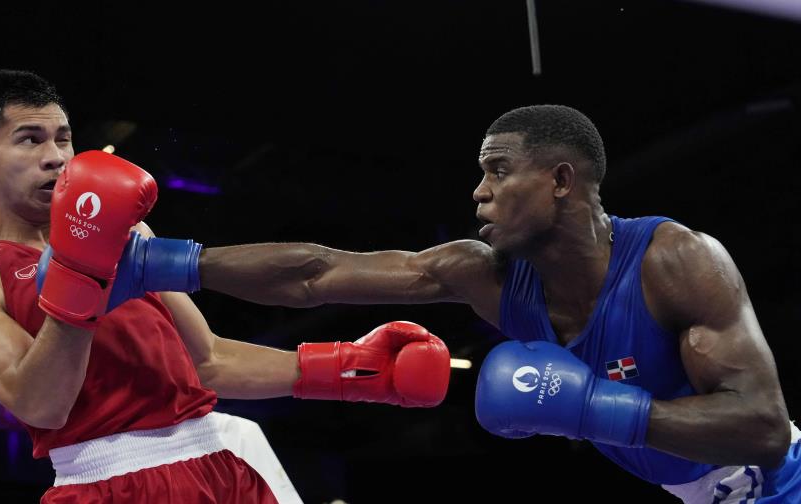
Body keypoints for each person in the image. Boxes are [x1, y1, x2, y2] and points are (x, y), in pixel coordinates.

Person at [125, 105, 800, 501]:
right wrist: (165, 264)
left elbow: (764, 428)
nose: (478, 191)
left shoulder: (673, 260)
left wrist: (596, 408)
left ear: (561, 180)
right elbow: (319, 274)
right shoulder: (486, 276)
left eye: (498, 170)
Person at [0, 69, 451, 504]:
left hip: (222, 456)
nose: (56, 157)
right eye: (30, 139)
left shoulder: (127, 236)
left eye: (63, 138)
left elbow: (207, 361)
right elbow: (42, 406)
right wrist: (77, 279)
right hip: (103, 480)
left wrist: (348, 370)